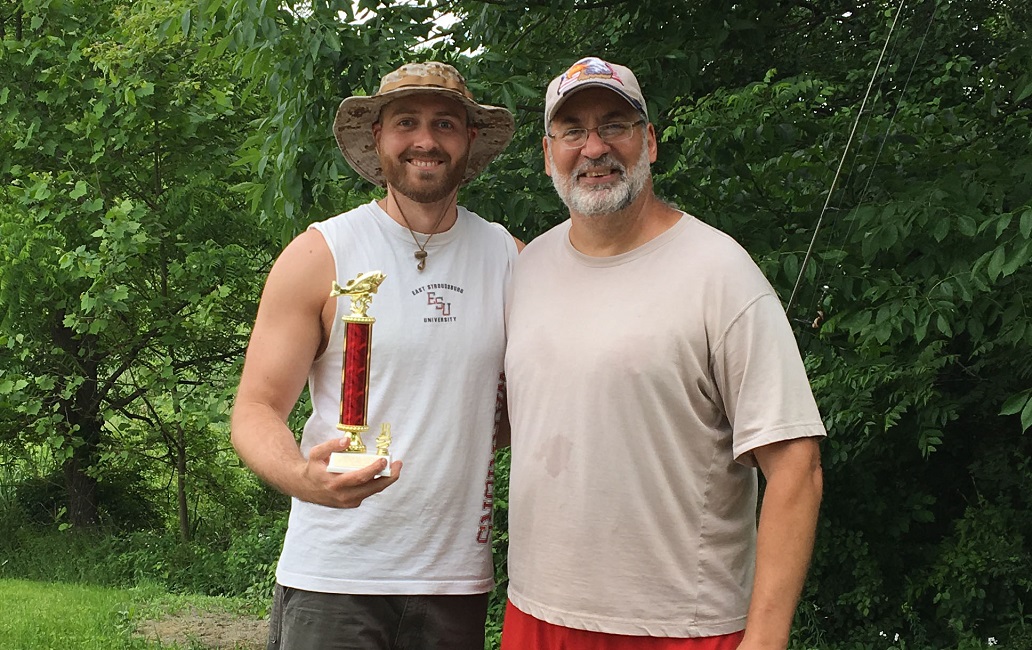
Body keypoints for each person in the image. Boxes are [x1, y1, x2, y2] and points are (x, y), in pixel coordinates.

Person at [502, 56, 826, 650]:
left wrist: (766, 638)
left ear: (648, 142)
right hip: (536, 614)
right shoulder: (526, 269)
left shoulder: (719, 271)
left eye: (614, 126)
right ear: (548, 152)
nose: (594, 148)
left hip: (680, 628)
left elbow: (796, 466)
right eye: (573, 131)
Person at [231, 61, 519, 650]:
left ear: (469, 140)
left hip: (454, 582)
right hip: (333, 575)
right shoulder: (322, 254)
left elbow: (522, 404)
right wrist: (302, 479)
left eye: (445, 123)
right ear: (378, 139)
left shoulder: (512, 259)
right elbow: (256, 408)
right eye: (405, 121)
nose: (425, 139)